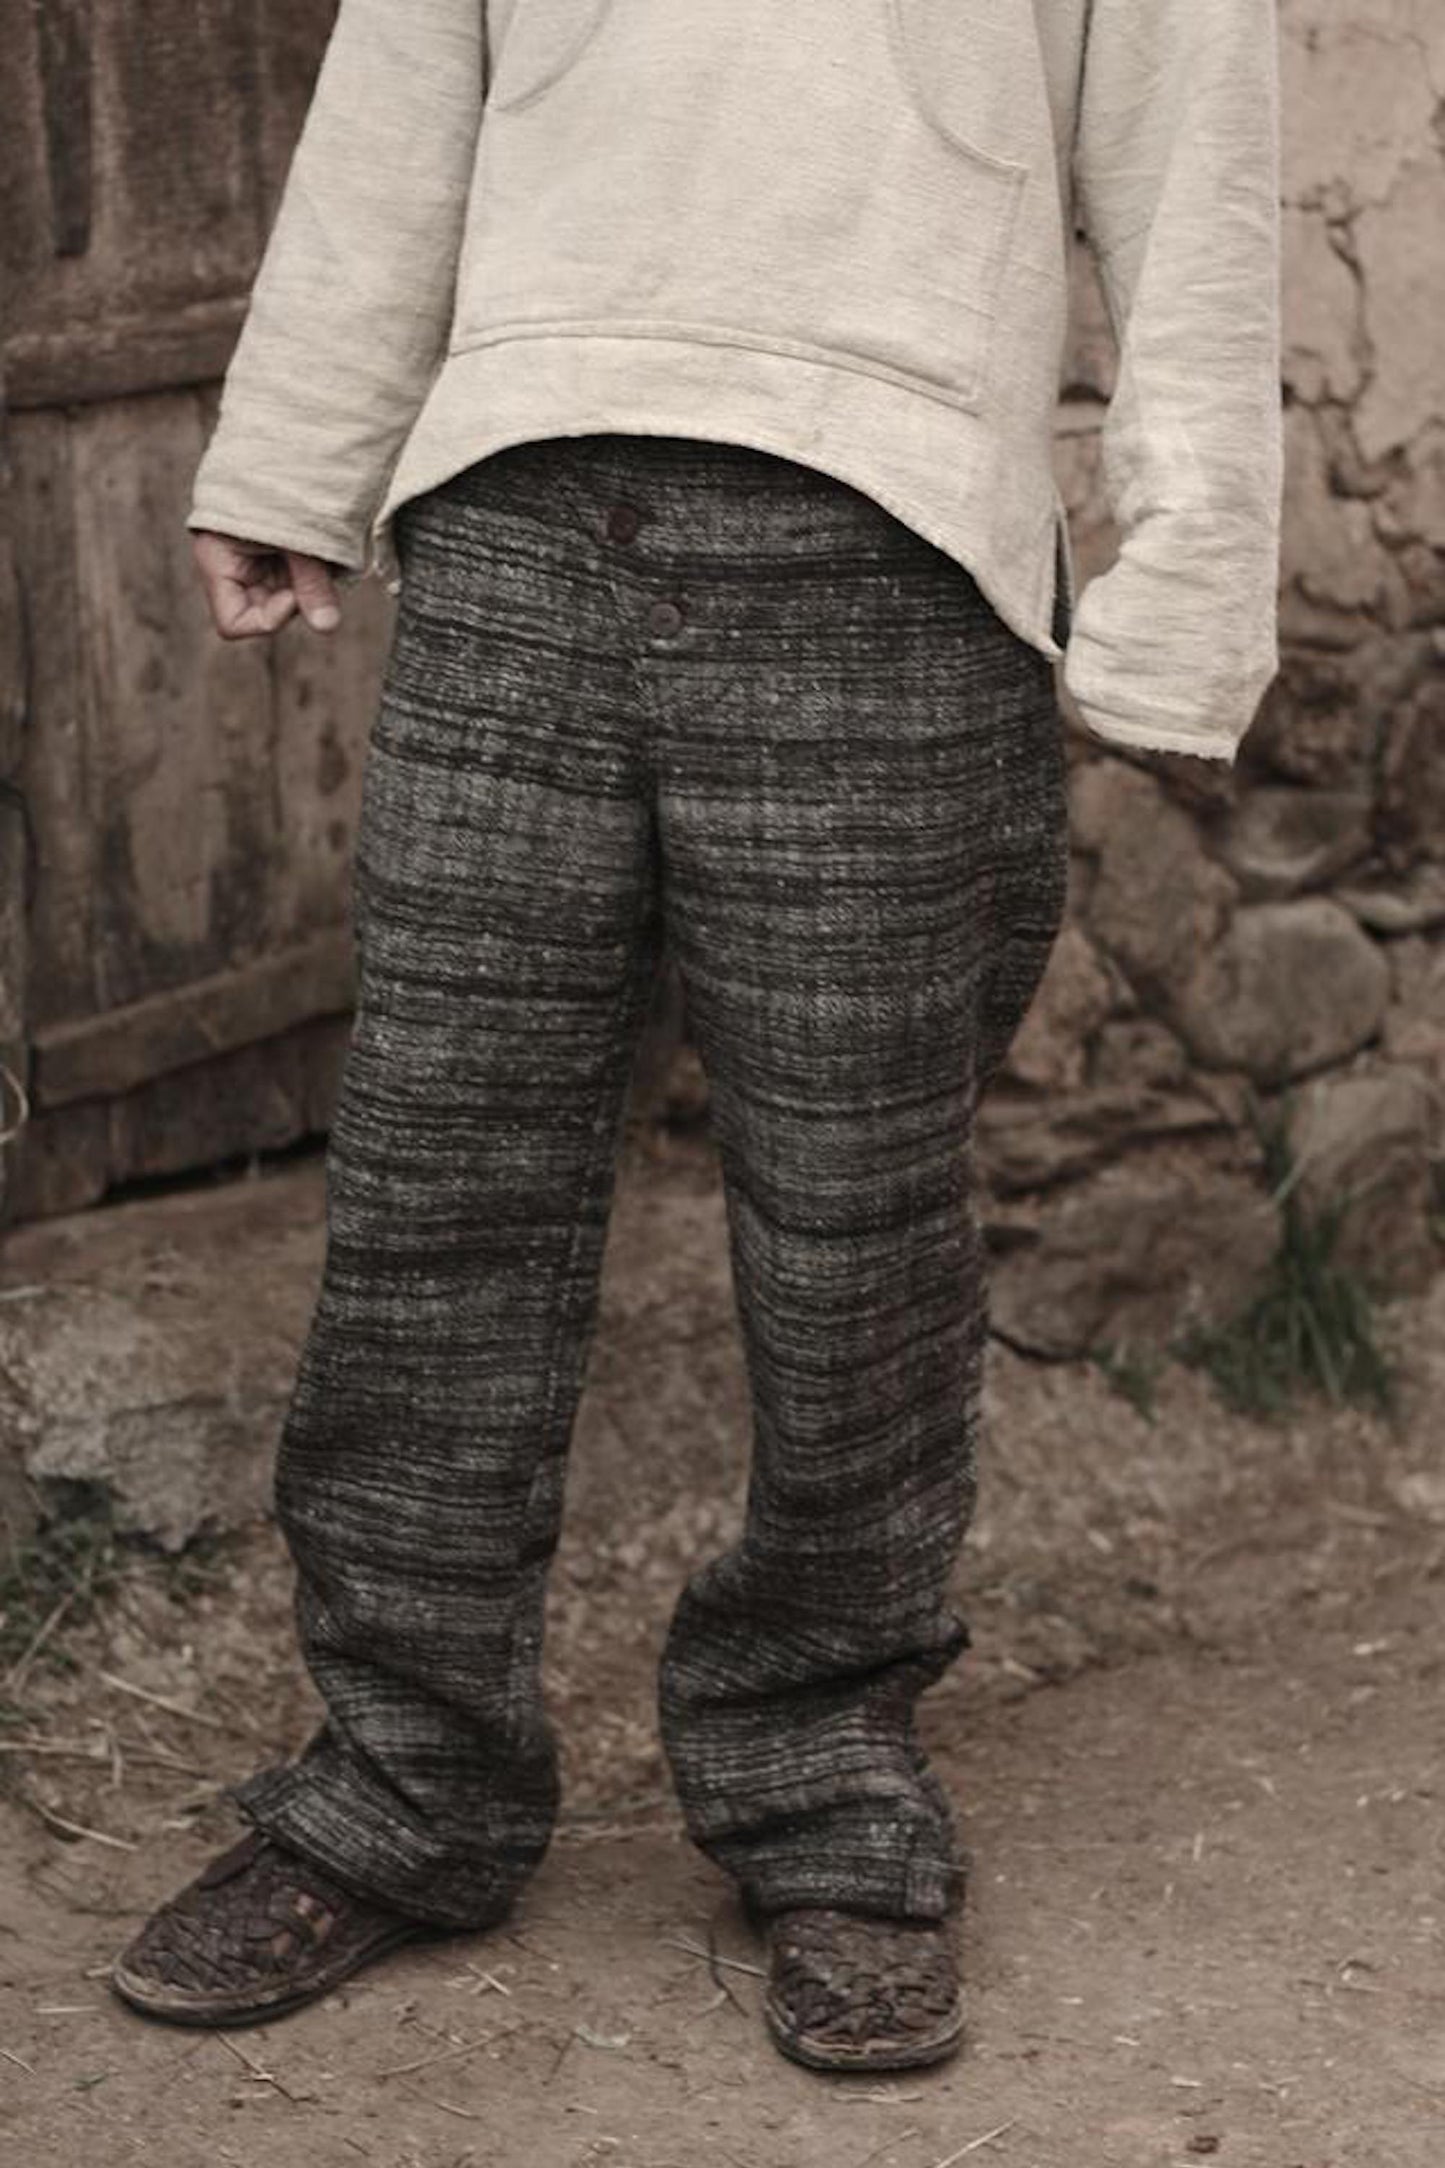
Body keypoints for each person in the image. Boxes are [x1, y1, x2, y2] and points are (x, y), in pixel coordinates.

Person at [108, 0, 1282, 2072]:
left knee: (853, 1237)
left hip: (893, 548)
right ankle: (402, 1784)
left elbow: (1199, 178)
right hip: (514, 521)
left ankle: (822, 1780)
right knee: (434, 1200)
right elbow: (406, 87)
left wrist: (1189, 588)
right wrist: (297, 442)